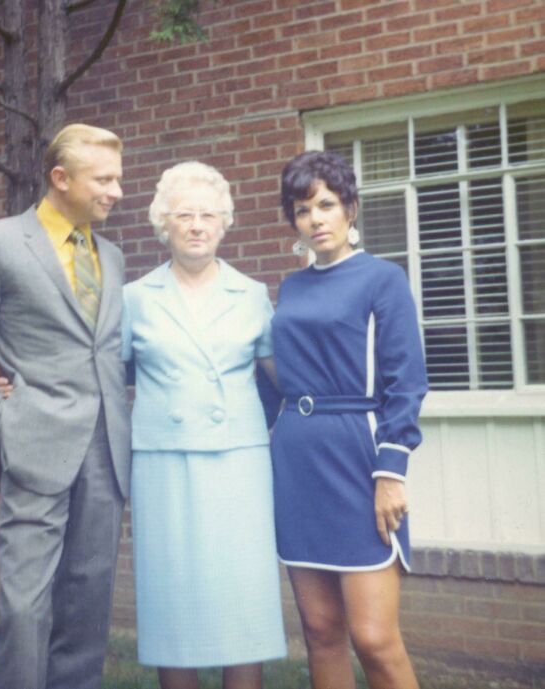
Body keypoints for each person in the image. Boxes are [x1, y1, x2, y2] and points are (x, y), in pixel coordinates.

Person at [0, 124, 131, 689]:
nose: (117, 190)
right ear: (60, 178)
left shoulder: (111, 256)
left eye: (118, 177)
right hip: (34, 446)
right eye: (105, 179)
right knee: (25, 605)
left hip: (107, 452)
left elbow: (105, 351)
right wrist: (2, 427)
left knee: (88, 605)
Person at [121, 161, 287, 689]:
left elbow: (287, 378)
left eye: (207, 215)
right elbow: (101, 378)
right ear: (163, 224)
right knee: (175, 599)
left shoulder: (253, 294)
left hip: (238, 459)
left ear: (224, 223)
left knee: (242, 595)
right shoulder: (133, 298)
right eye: (184, 215)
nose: (196, 225)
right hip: (164, 461)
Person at [270, 150, 428, 689]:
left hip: (358, 461)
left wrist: (391, 470)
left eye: (326, 205)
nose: (314, 219)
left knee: (374, 639)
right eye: (301, 210)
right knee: (320, 631)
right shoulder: (289, 288)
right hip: (297, 463)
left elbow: (405, 383)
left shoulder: (382, 279)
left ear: (350, 209)